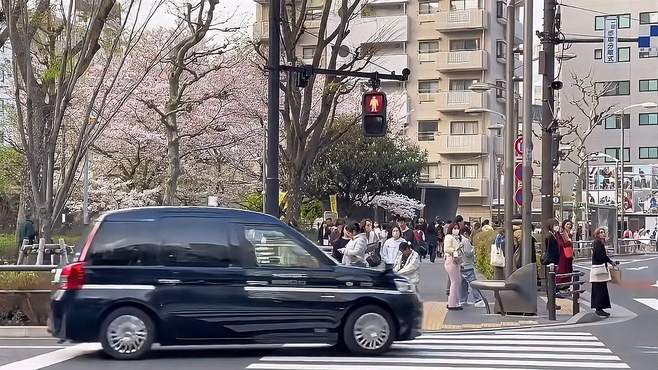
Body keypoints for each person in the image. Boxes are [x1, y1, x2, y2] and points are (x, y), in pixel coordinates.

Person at [591, 227, 618, 317]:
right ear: (597, 234)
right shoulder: (597, 243)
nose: (602, 234)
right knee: (599, 289)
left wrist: (610, 261)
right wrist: (610, 261)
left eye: (603, 232)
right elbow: (601, 256)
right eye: (600, 232)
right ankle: (599, 308)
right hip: (599, 268)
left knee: (600, 288)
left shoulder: (599, 243)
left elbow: (602, 255)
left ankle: (600, 308)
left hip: (600, 268)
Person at [459, 227, 484, 307]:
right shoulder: (465, 241)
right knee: (473, 283)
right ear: (466, 233)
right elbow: (468, 253)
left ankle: (462, 299)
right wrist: (473, 250)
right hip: (467, 264)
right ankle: (478, 300)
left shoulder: (458, 239)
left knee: (463, 283)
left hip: (461, 264)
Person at [444, 222, 463, 310]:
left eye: (457, 228)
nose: (456, 230)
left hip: (455, 260)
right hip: (451, 260)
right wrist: (455, 250)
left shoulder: (456, 238)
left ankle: (455, 302)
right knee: (455, 282)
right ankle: (452, 304)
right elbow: (447, 249)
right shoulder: (449, 237)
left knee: (457, 281)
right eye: (454, 228)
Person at [555, 219, 575, 287]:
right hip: (563, 255)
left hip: (569, 255)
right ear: (564, 225)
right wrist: (569, 240)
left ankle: (566, 285)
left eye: (570, 224)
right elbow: (561, 244)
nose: (569, 226)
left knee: (568, 269)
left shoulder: (568, 234)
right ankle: (561, 286)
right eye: (567, 224)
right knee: (563, 269)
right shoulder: (562, 234)